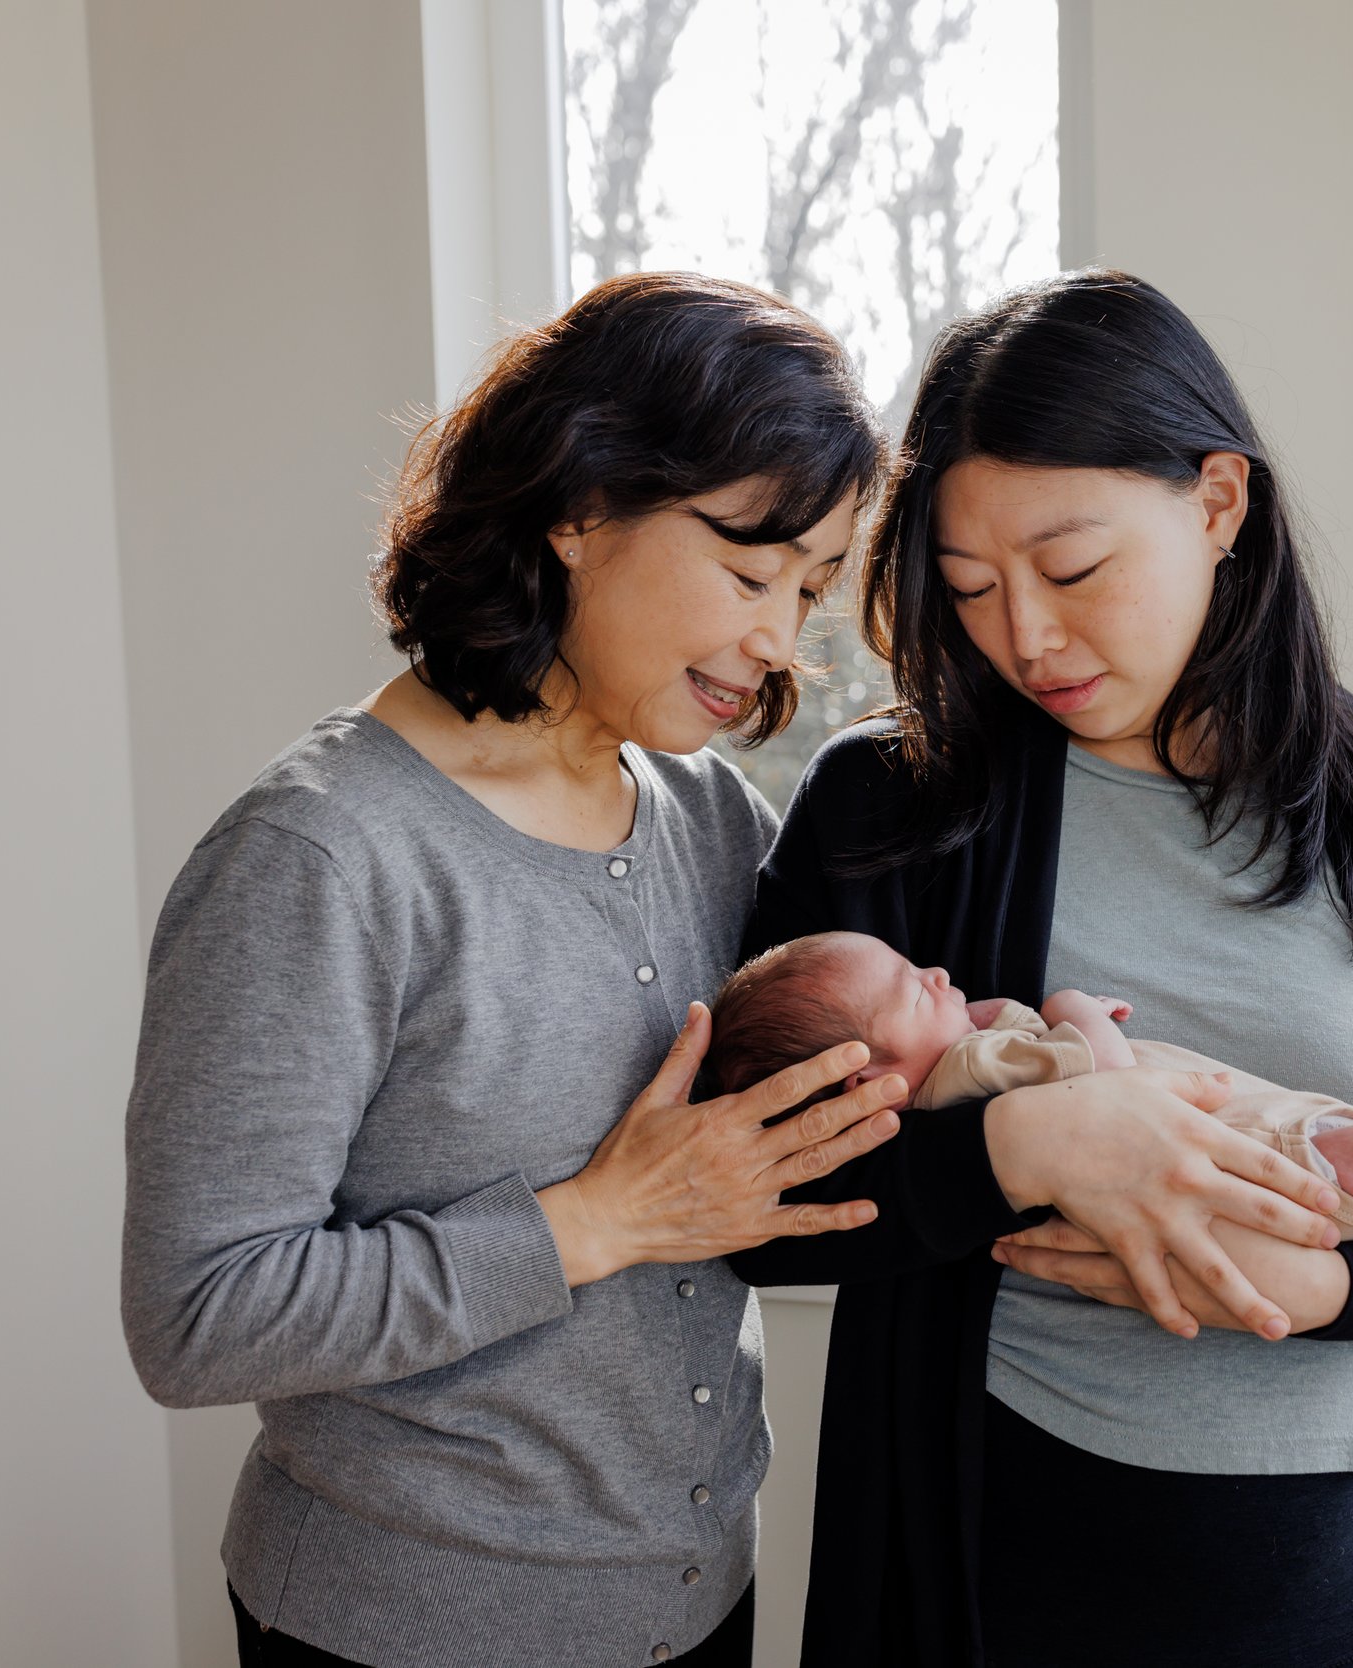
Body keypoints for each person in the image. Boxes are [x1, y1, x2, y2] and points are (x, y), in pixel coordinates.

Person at [726, 269, 1353, 1667]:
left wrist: (1325, 1295)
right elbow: (758, 1203)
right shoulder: (894, 807)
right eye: (971, 588)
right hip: (1009, 1579)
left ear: (1219, 503)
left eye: (1072, 571)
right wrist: (1021, 1142)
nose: (1026, 637)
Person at [120, 272, 917, 1668]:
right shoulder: (319, 857)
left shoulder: (716, 823)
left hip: (697, 1604)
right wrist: (591, 1223)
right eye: (746, 569)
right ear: (581, 502)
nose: (779, 642)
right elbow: (197, 1318)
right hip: (403, 1630)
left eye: (808, 590)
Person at [706, 930, 1353, 1370]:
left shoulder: (951, 1076)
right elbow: (1105, 1080)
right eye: (913, 990)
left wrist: (1335, 1292)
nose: (937, 972)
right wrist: (1072, 1004)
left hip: (1258, 1173)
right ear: (871, 1084)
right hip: (1264, 1159)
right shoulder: (978, 1063)